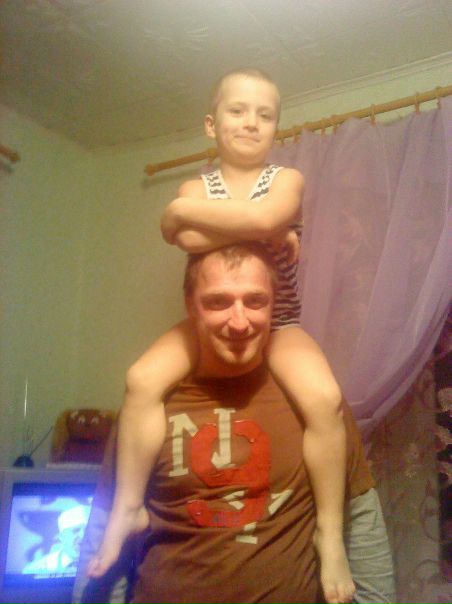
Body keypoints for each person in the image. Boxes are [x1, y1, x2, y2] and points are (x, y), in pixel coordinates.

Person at [90, 68, 349, 604]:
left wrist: (184, 213)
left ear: (276, 127)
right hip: (207, 324)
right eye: (238, 111)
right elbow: (188, 235)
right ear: (212, 124)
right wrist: (256, 226)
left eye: (265, 115)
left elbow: (212, 222)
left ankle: (329, 532)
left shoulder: (286, 179)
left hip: (279, 321)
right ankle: (128, 509)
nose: (251, 122)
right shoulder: (196, 185)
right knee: (141, 380)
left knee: (325, 398)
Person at [76, 244, 395, 604]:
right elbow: (106, 533)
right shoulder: (147, 406)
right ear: (190, 305)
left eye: (256, 301)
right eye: (217, 302)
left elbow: (362, 529)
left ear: (274, 303)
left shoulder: (318, 405)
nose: (240, 322)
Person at [23, 504, 90, 574]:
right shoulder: (34, 570)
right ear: (61, 537)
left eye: (89, 531)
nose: (83, 536)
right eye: (75, 530)